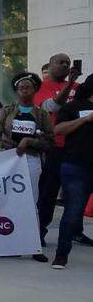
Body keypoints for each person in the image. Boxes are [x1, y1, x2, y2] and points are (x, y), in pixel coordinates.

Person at [0, 71, 53, 262]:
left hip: (31, 160)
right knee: (8, 202)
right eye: (21, 87)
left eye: (29, 87)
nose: (25, 91)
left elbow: (49, 142)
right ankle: (9, 243)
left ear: (35, 90)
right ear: (16, 91)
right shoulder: (8, 111)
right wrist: (11, 145)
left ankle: (34, 245)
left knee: (30, 203)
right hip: (8, 160)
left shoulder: (41, 114)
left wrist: (30, 142)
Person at [33, 53, 90, 247]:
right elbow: (54, 108)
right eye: (60, 62)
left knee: (77, 193)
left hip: (77, 148)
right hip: (54, 147)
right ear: (49, 66)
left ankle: (76, 231)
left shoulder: (78, 89)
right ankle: (39, 231)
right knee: (48, 192)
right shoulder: (41, 88)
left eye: (67, 63)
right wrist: (70, 84)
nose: (65, 65)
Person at [50, 76, 93, 269]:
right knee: (73, 212)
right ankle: (61, 255)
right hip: (77, 166)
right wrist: (85, 119)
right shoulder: (74, 107)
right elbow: (58, 129)